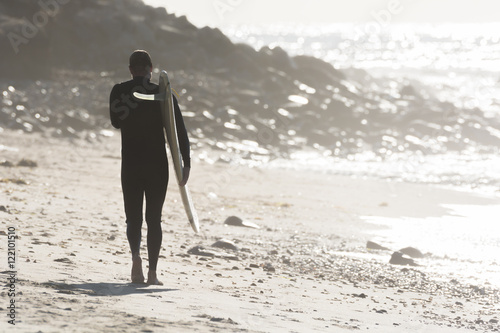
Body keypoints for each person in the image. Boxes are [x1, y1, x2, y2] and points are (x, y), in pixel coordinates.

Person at [109, 50, 191, 285]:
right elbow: (178, 132)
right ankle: (153, 273)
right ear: (151, 70)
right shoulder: (164, 95)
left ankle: (136, 260)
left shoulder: (119, 91)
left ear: (130, 69)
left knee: (132, 219)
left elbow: (115, 122)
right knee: (154, 219)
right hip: (157, 166)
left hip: (131, 164)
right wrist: (186, 162)